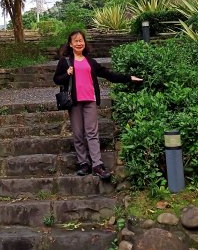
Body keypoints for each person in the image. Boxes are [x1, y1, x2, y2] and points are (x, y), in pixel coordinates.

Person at [53, 30, 143, 181]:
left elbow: (108, 74)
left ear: (84, 43)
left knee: (92, 133)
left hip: (90, 100)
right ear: (70, 44)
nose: (79, 43)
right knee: (78, 133)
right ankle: (83, 163)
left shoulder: (90, 61)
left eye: (81, 40)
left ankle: (97, 165)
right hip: (73, 102)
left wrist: (129, 78)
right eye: (76, 41)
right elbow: (56, 80)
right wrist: (67, 74)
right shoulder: (65, 61)